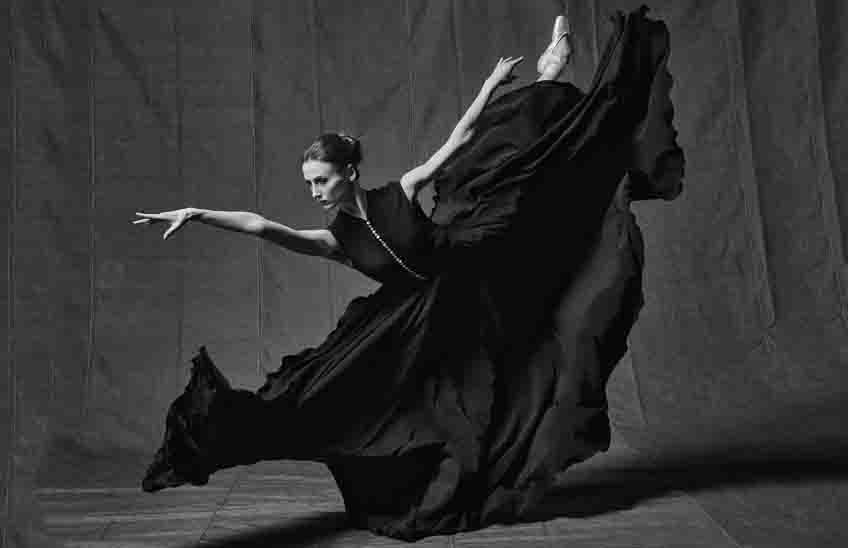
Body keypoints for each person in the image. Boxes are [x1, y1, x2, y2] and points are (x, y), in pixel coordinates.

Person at [133, 5, 683, 540]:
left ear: (349, 173)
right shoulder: (335, 241)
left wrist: (490, 85)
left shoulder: (400, 192)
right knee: (338, 394)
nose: (314, 192)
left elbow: (457, 139)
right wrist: (197, 213)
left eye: (321, 180)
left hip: (473, 258)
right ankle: (427, 478)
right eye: (308, 183)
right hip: (419, 317)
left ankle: (550, 73)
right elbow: (260, 225)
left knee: (517, 174)